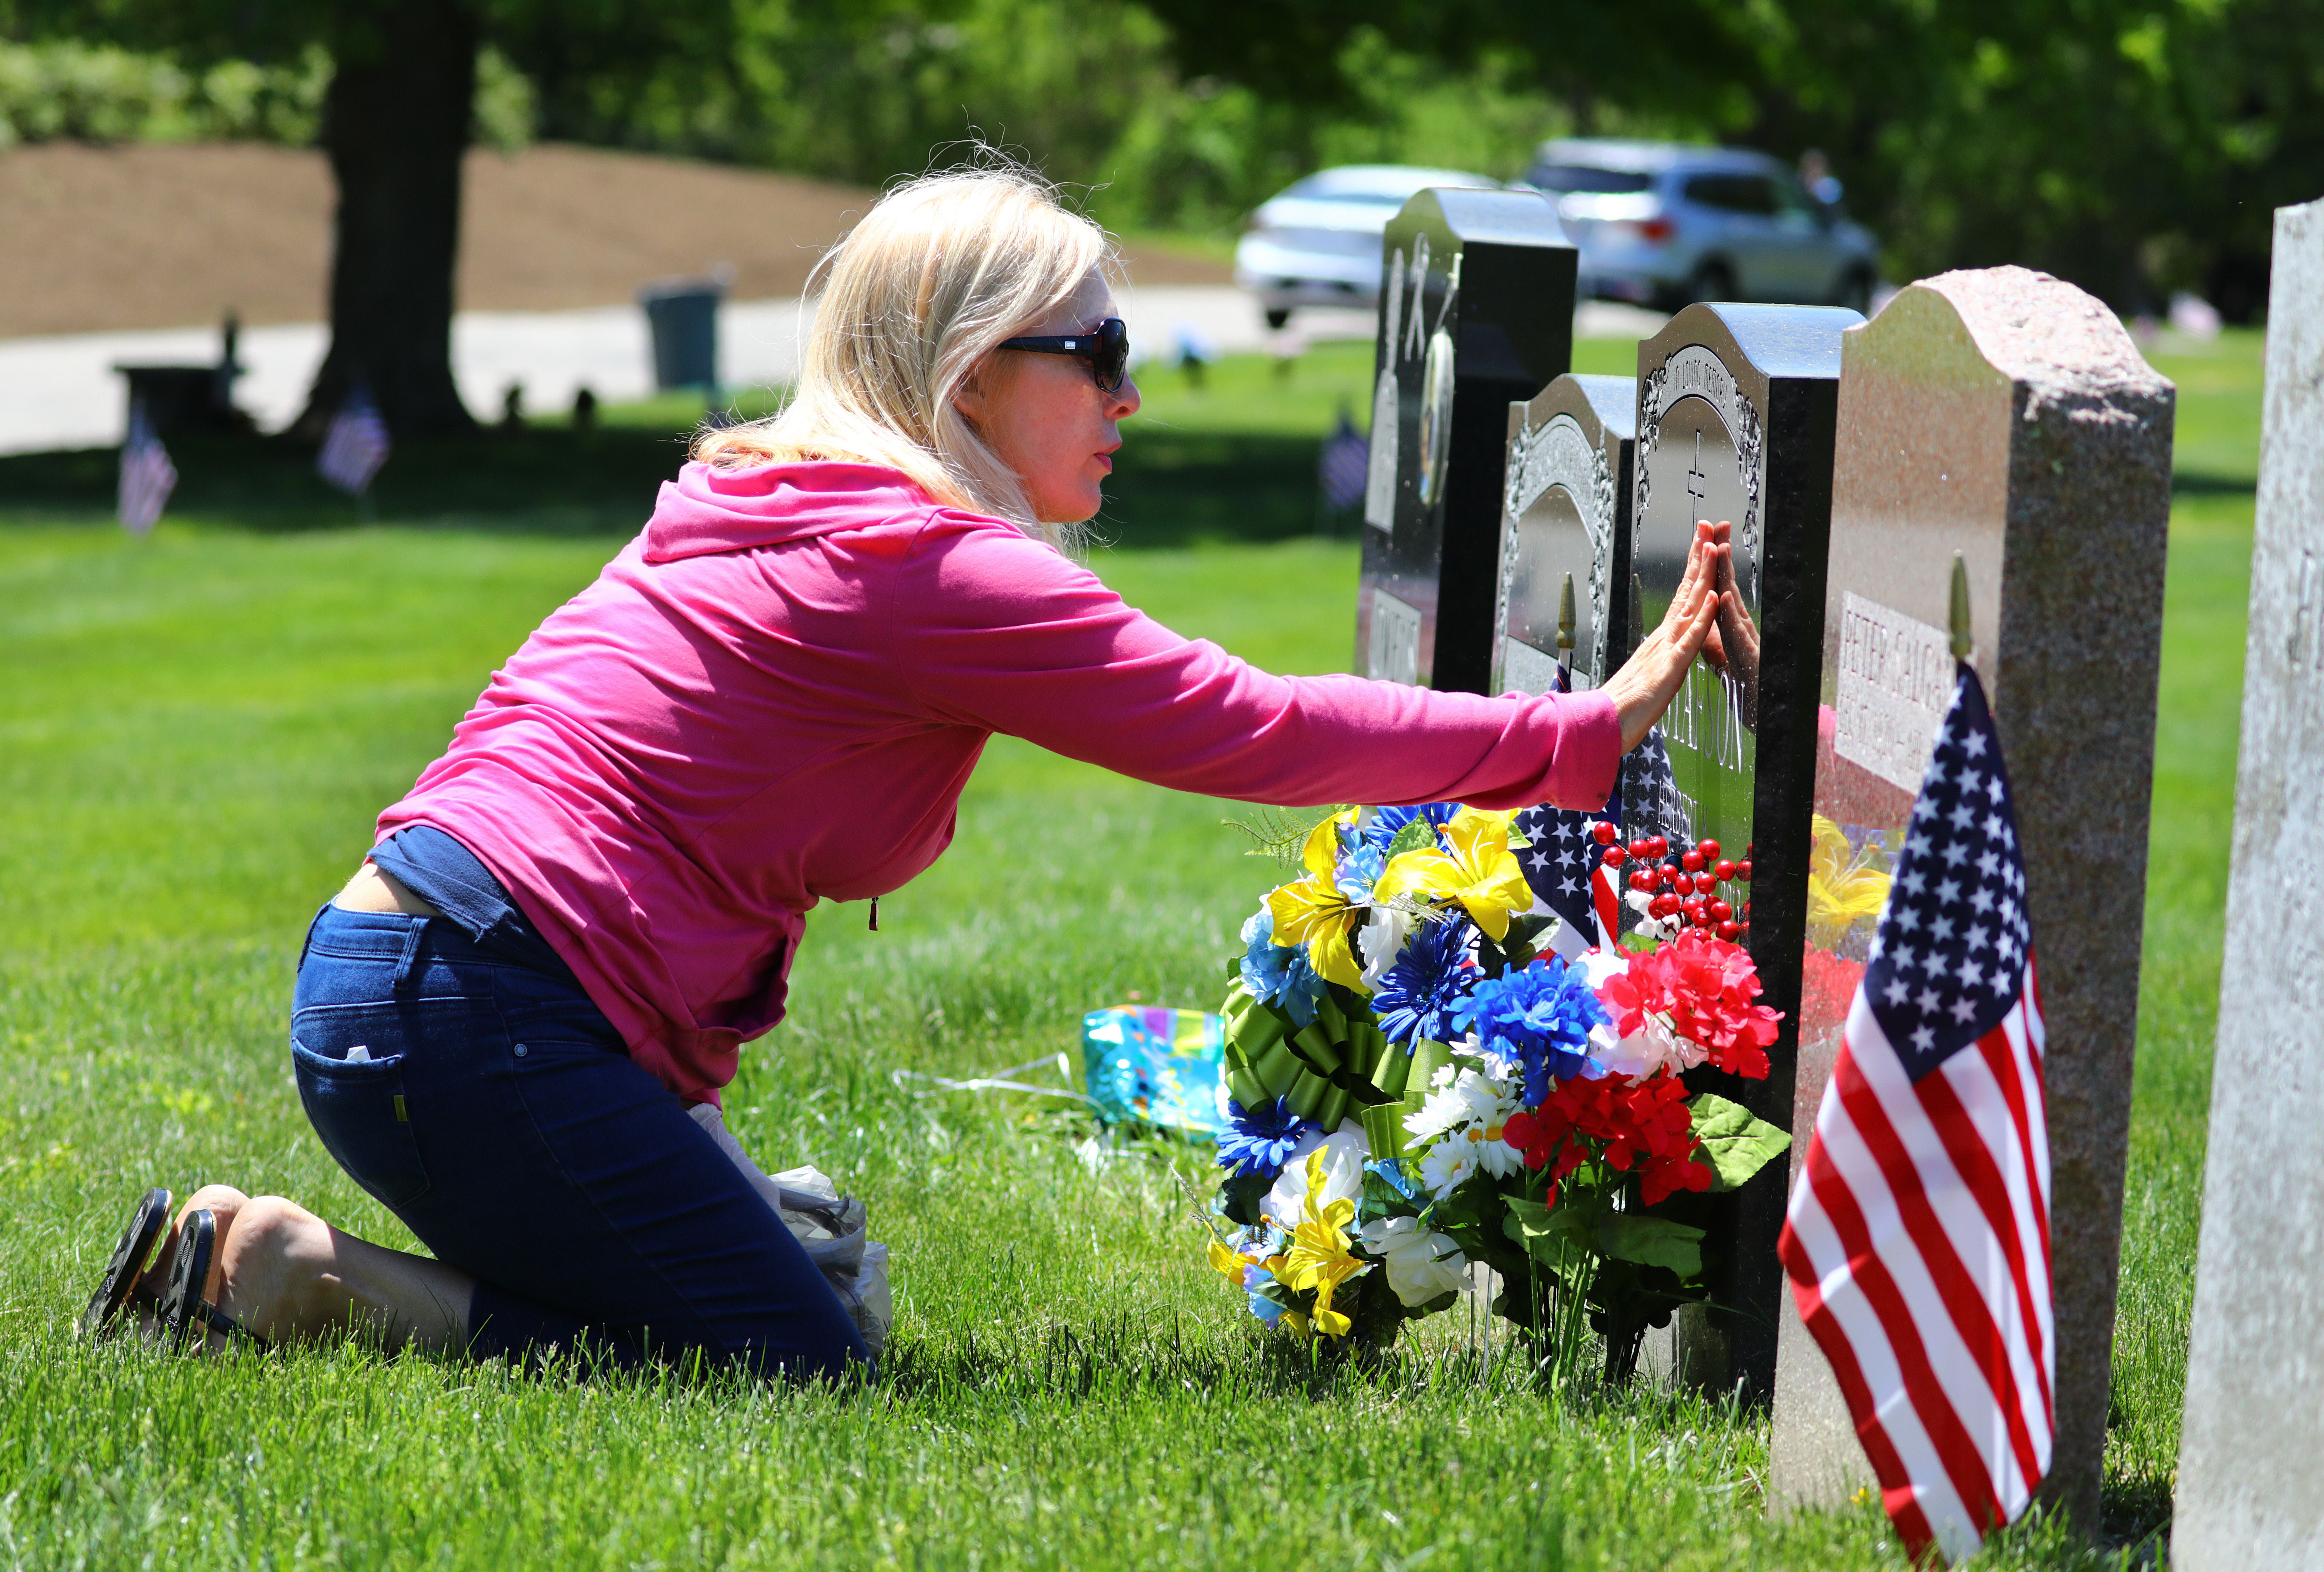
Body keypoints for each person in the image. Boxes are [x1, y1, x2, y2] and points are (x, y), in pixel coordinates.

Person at [81, 162, 1724, 1381]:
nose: (1131, 392)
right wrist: (1588, 729)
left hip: (400, 982)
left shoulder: (755, 495)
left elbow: (646, 854)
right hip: (474, 1015)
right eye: (1097, 349)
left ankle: (335, 1258)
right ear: (967, 378)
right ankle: (292, 1271)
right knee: (789, 1361)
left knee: (734, 1295)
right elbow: (1257, 730)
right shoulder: (931, 568)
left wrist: (697, 1157)